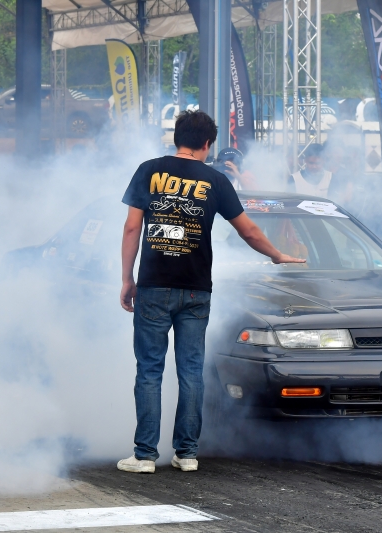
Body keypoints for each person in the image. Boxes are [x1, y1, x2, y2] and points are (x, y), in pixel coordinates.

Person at [117, 110, 304, 474]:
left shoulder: (148, 170)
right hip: (196, 289)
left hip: (154, 285)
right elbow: (248, 230)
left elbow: (131, 229)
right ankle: (187, 453)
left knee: (150, 370)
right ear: (207, 144)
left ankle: (144, 457)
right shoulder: (215, 180)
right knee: (191, 371)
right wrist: (277, 255)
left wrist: (127, 278)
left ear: (177, 137)